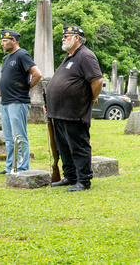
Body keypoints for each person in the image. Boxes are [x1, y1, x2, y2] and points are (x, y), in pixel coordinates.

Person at [46, 25, 103, 192]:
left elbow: (97, 81)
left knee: (78, 146)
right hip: (59, 112)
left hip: (75, 112)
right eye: (63, 36)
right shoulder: (68, 57)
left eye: (66, 36)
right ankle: (70, 176)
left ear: (76, 38)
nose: (63, 38)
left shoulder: (85, 56)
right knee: (63, 147)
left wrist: (91, 98)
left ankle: (84, 180)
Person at [0, 29, 42, 174]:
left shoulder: (22, 55)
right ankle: (10, 167)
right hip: (5, 103)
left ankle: (22, 168)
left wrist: (27, 88)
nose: (2, 44)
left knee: (19, 137)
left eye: (5, 41)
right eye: (2, 41)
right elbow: (5, 84)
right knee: (9, 139)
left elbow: (37, 74)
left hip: (18, 102)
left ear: (13, 41)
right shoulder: (6, 59)